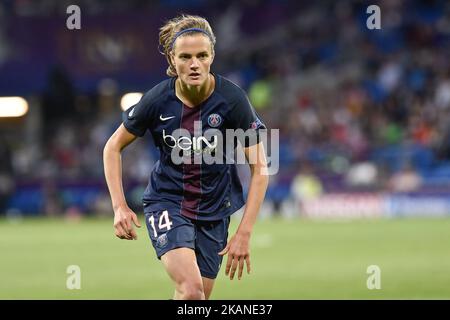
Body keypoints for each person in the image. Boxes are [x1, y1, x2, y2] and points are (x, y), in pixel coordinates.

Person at [103, 14, 269, 300]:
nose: (194, 64)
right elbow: (112, 147)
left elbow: (260, 169)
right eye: (185, 56)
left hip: (216, 210)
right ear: (172, 59)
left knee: (194, 298)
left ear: (212, 56)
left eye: (202, 55)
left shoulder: (233, 100)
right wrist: (119, 206)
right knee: (192, 292)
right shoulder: (156, 100)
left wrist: (244, 232)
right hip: (168, 201)